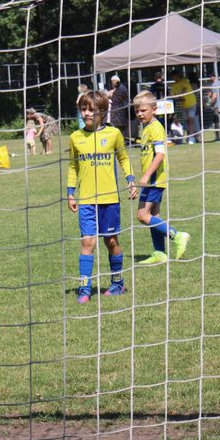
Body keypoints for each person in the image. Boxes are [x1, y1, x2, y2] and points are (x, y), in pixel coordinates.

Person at [68, 90, 134, 303]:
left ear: (103, 113)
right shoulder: (75, 137)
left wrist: (130, 179)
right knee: (87, 242)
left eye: (92, 110)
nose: (87, 114)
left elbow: (123, 158)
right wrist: (70, 193)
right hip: (87, 200)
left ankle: (117, 283)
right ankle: (85, 288)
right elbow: (72, 166)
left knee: (111, 241)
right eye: (84, 109)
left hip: (109, 200)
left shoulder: (114, 134)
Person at [132, 92, 190, 264]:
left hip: (154, 180)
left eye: (143, 110)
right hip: (153, 180)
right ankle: (160, 253)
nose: (140, 114)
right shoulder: (146, 127)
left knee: (142, 215)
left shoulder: (156, 128)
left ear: (154, 110)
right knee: (154, 215)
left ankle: (177, 235)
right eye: (137, 111)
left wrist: (147, 175)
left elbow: (160, 155)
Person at [171, 71, 197, 143]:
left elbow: (184, 90)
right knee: (187, 121)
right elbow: (173, 96)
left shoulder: (185, 81)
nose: (175, 79)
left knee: (190, 119)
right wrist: (178, 97)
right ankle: (190, 136)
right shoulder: (174, 86)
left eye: (176, 77)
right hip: (183, 105)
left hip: (191, 103)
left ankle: (192, 138)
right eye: (173, 78)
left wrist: (179, 95)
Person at [205, 74, 220, 141]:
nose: (210, 78)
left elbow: (214, 96)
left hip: (217, 105)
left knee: (216, 121)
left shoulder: (214, 85)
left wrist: (210, 103)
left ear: (213, 77)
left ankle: (218, 137)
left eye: (210, 76)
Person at [108, 74, 130, 139]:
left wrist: (110, 95)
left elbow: (117, 99)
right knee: (119, 129)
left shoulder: (120, 88)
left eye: (112, 82)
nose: (112, 83)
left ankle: (122, 142)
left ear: (115, 81)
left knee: (120, 129)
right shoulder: (120, 87)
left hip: (119, 112)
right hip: (118, 112)